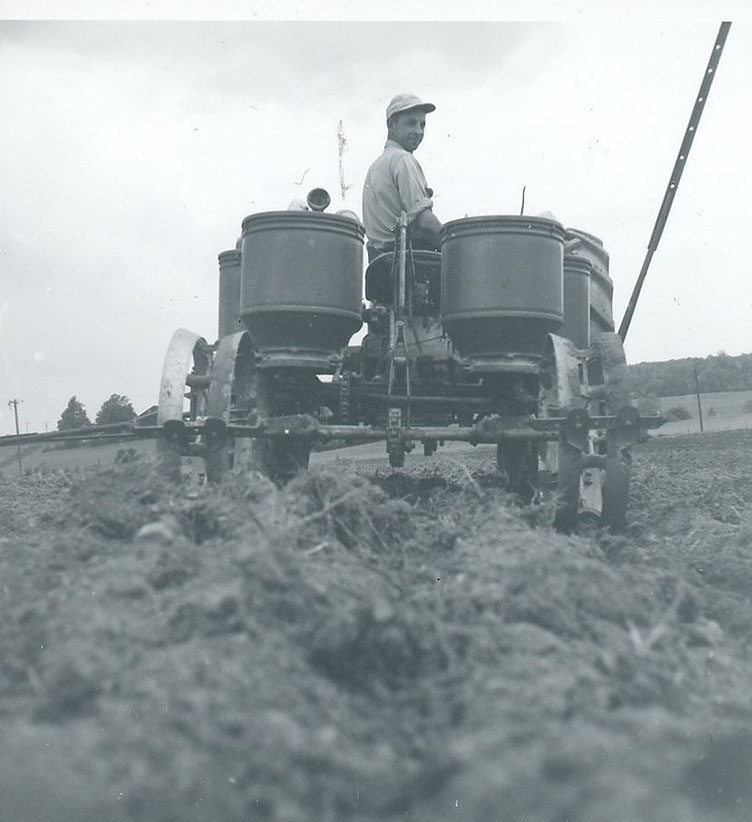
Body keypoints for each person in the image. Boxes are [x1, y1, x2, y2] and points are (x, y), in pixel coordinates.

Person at [362, 93, 442, 261]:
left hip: (381, 265)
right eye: (411, 123)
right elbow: (425, 224)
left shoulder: (375, 167)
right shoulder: (402, 160)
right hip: (408, 267)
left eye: (422, 125)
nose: (419, 131)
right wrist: (456, 245)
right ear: (391, 124)